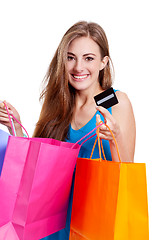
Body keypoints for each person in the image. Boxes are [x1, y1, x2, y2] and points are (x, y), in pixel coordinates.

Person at [0, 21, 136, 239]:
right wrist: (16, 125)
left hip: (93, 217)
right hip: (51, 219)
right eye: (70, 57)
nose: (78, 67)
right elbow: (38, 164)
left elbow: (127, 173)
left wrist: (115, 137)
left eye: (88, 58)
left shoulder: (116, 102)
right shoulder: (57, 102)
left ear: (104, 62)